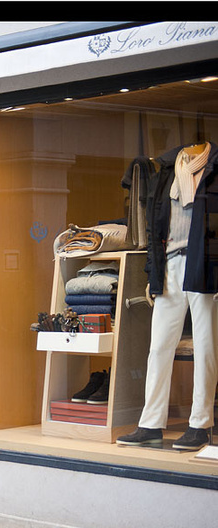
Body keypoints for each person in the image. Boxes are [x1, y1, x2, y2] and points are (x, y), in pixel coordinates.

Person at [118, 142, 218, 451]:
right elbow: (154, 227)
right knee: (159, 346)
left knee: (205, 346)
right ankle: (150, 425)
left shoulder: (213, 170)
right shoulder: (166, 172)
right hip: (172, 264)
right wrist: (153, 272)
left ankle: (200, 425)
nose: (189, 155)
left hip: (206, 263)